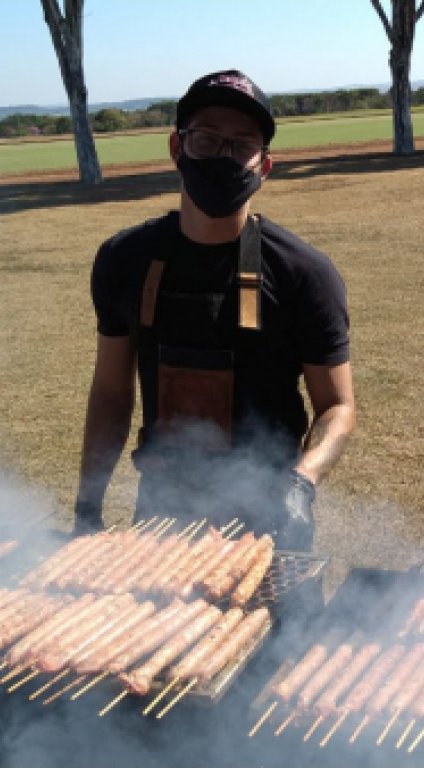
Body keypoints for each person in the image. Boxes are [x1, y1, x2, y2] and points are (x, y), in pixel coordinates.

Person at [73, 69, 356, 551]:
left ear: (263, 166)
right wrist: (87, 505)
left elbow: (338, 407)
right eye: (206, 139)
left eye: (242, 144)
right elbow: (110, 393)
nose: (224, 156)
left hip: (271, 521)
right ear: (177, 148)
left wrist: (301, 482)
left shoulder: (304, 273)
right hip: (161, 517)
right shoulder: (124, 260)